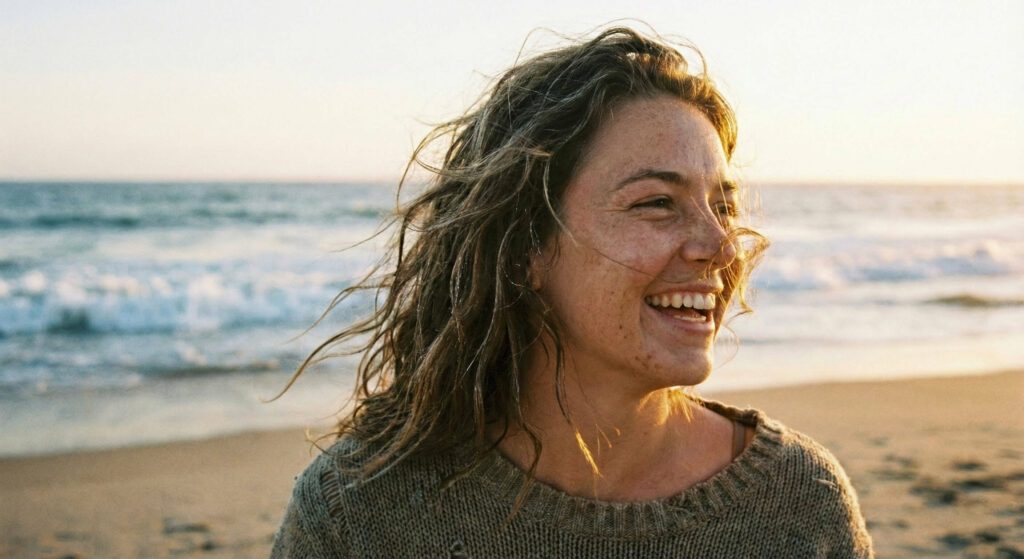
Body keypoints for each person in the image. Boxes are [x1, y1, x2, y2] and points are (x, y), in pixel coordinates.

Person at [272, 26, 873, 557]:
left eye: (723, 207)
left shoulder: (799, 503)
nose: (722, 246)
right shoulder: (362, 511)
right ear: (523, 245)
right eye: (657, 203)